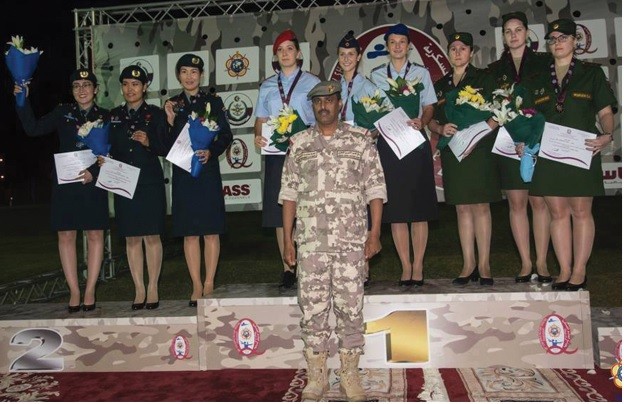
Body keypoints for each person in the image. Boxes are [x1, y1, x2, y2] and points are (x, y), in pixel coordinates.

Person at [279, 81, 386, 401]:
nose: (323, 106)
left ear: (340, 103)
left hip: (351, 243)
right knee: (312, 312)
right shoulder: (299, 144)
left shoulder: (361, 140)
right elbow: (288, 195)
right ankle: (316, 377)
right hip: (311, 244)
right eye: (318, 102)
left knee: (350, 311)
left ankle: (349, 375)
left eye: (329, 100)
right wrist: (288, 241)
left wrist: (374, 233)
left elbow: (375, 189)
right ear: (312, 106)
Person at [522, 19, 616, 291]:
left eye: (563, 37)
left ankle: (579, 270)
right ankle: (564, 270)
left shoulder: (592, 73)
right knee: (557, 212)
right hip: (550, 153)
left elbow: (605, 112)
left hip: (582, 150)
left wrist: (607, 134)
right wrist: (525, 141)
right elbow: (529, 118)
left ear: (575, 41)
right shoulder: (537, 79)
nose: (557, 43)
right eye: (552, 39)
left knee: (581, 211)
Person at [14, 68, 109, 313]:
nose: (81, 90)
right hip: (66, 183)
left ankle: (90, 290)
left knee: (95, 235)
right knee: (66, 236)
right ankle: (74, 291)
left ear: (96, 90)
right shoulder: (62, 112)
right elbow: (33, 128)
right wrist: (22, 101)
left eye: (86, 85)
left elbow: (112, 153)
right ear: (72, 90)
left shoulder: (106, 116)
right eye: (76, 85)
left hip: (92, 182)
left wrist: (94, 172)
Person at [427, 32, 501, 286]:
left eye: (462, 48)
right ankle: (468, 263)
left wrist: (481, 131)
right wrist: (440, 128)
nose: (457, 52)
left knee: (481, 206)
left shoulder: (484, 78)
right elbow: (431, 119)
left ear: (471, 52)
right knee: (461, 208)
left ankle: (485, 264)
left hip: (479, 150)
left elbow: (500, 109)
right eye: (453, 48)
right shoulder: (441, 84)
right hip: (454, 151)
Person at [370, 23, 438, 287]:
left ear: (409, 46)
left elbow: (429, 106)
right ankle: (405, 266)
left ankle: (418, 265)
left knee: (419, 209)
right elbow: (372, 107)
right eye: (392, 42)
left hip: (415, 143)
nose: (397, 46)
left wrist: (423, 121)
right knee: (396, 209)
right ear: (387, 47)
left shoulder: (421, 73)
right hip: (389, 146)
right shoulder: (376, 75)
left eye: (402, 42)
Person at [487, 11, 552, 284]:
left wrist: (534, 135)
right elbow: (492, 107)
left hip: (538, 140)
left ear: (527, 33)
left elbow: (550, 100)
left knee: (539, 202)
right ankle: (525, 262)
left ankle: (542, 262)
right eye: (508, 31)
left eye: (518, 30)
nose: (513, 35)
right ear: (503, 37)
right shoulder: (494, 69)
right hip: (509, 144)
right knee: (516, 203)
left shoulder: (545, 62)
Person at [164, 54, 233, 307]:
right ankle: (195, 284)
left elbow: (226, 135)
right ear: (178, 76)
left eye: (194, 72)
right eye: (184, 72)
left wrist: (211, 151)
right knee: (190, 232)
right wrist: (169, 121)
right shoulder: (171, 104)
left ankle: (209, 282)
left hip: (207, 171)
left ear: (201, 75)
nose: (189, 76)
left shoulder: (213, 102)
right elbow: (165, 143)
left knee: (211, 230)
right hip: (184, 173)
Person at [253, 29, 320, 289]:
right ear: (276, 56)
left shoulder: (312, 82)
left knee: (307, 209)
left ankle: (308, 265)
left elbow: (321, 117)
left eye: (289, 49)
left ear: (298, 53)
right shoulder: (268, 86)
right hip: (276, 155)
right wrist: (258, 136)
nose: (285, 54)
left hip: (306, 154)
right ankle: (288, 267)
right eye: (280, 50)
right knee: (279, 212)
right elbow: (260, 120)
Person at [105, 65, 168, 309]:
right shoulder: (113, 116)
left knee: (152, 235)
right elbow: (106, 147)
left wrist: (149, 141)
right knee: (131, 237)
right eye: (125, 84)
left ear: (144, 87)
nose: (130, 89)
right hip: (123, 182)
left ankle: (153, 287)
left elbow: (165, 148)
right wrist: (103, 157)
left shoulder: (156, 114)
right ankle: (139, 289)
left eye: (135, 84)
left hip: (149, 181)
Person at [336, 31, 387, 287]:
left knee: (361, 210)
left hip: (361, 154)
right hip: (336, 157)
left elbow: (385, 119)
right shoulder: (331, 89)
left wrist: (369, 133)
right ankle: (340, 265)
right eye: (342, 54)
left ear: (358, 58)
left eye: (351, 54)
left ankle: (363, 268)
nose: (346, 58)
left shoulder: (370, 87)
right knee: (339, 210)